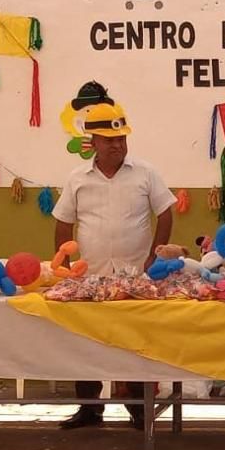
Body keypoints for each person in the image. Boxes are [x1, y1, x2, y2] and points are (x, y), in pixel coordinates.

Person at [51, 102, 177, 430]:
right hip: (89, 276)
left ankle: (138, 409)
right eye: (109, 140)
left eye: (121, 138)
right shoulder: (77, 178)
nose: (117, 144)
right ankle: (89, 408)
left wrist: (155, 255)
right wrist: (64, 267)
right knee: (86, 342)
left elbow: (165, 213)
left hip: (134, 276)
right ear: (93, 141)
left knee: (134, 343)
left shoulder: (146, 173)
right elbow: (63, 222)